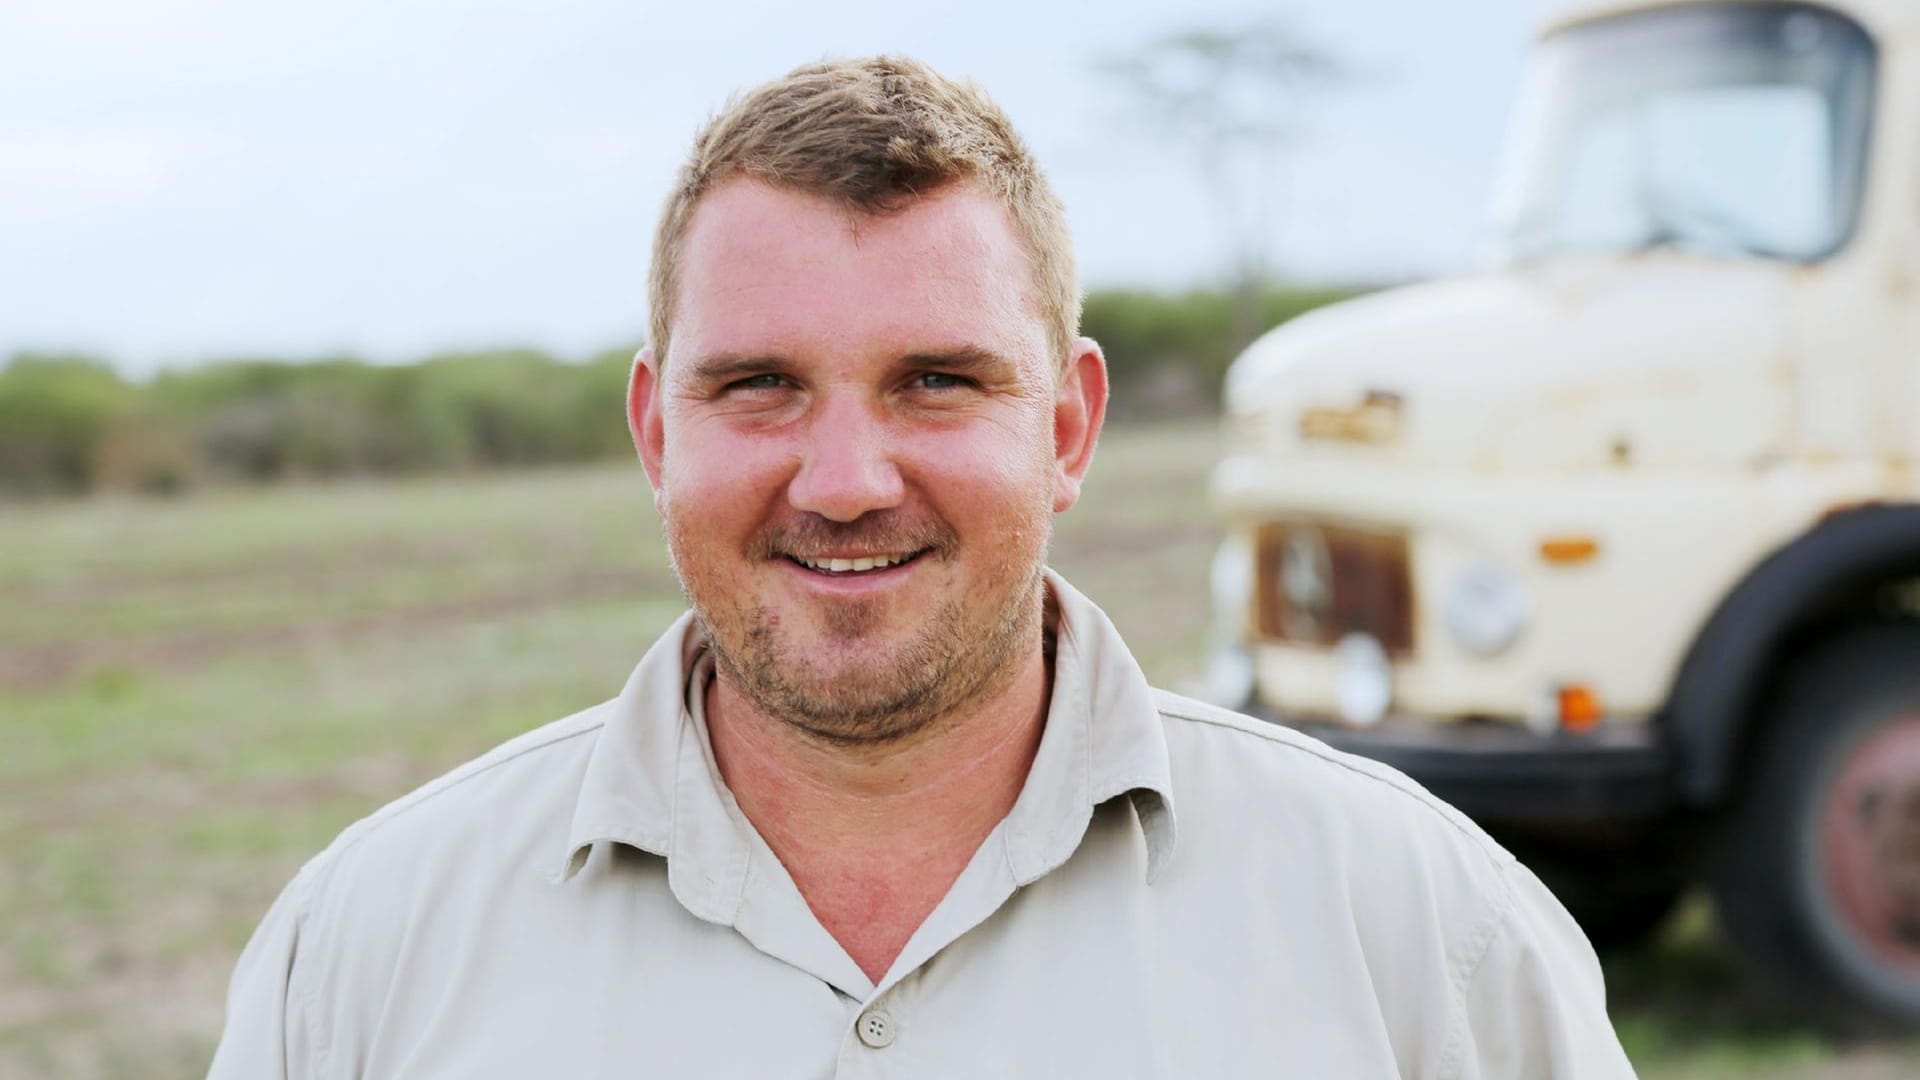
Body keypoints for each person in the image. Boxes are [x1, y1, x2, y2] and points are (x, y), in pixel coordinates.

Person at [208, 56, 1635, 1078]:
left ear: (1069, 427)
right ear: (656, 430)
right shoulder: (367, 949)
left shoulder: (1423, 934)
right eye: (760, 384)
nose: (844, 484)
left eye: (938, 382)